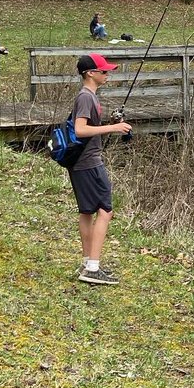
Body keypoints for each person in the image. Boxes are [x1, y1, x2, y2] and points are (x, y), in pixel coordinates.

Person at [69, 53, 132, 286]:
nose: (107, 75)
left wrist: (108, 123)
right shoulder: (86, 98)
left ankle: (88, 263)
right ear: (90, 74)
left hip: (81, 163)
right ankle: (93, 268)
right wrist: (113, 127)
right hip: (89, 162)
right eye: (104, 71)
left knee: (86, 211)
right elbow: (80, 130)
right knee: (105, 210)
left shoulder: (88, 97)